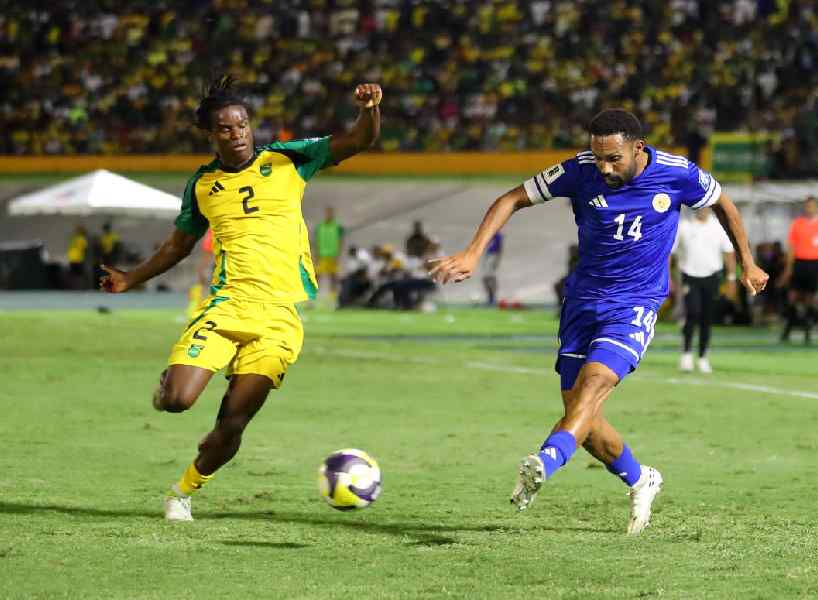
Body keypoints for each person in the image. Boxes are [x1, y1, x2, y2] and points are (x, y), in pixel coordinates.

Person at [428, 109, 768, 535]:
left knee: (594, 383)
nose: (604, 167)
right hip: (582, 303)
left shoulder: (677, 173)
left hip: (636, 303)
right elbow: (510, 198)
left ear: (638, 149)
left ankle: (544, 462)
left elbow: (724, 206)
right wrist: (473, 253)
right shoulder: (579, 170)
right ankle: (642, 478)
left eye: (614, 159)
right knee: (581, 418)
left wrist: (748, 263)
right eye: (598, 157)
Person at [99, 75, 382, 521]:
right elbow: (178, 246)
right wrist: (130, 278)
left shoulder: (289, 159)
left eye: (243, 125)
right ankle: (167, 385)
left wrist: (368, 110)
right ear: (211, 135)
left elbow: (357, 141)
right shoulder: (203, 185)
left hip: (279, 320)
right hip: (228, 306)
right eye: (227, 129)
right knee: (177, 401)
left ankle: (183, 491)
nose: (238, 135)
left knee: (233, 422)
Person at [671, 207, 736, 373]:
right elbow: (670, 252)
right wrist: (667, 276)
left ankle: (703, 357)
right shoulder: (684, 226)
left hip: (712, 277)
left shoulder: (718, 226)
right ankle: (686, 355)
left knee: (707, 318)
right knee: (692, 313)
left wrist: (731, 278)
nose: (703, 209)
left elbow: (728, 252)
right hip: (689, 275)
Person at [778, 196, 818, 345]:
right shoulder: (797, 224)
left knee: (811, 298)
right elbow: (791, 247)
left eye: (812, 206)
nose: (809, 209)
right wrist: (789, 268)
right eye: (807, 206)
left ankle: (808, 330)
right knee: (793, 297)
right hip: (799, 263)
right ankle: (789, 326)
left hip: (815, 264)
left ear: (817, 208)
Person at [313, 206, 345, 296]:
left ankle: (333, 298)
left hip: (333, 256)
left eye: (330, 213)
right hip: (322, 256)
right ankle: (312, 297)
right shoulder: (320, 227)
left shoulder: (337, 227)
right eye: (327, 213)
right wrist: (316, 255)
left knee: (333, 277)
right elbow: (317, 242)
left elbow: (340, 241)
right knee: (316, 276)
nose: (328, 215)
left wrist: (338, 255)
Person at [482, 232, 503, 306]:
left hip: (493, 256)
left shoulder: (497, 235)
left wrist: (497, 259)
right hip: (489, 256)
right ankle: (490, 297)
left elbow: (499, 249)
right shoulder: (491, 234)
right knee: (486, 278)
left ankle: (492, 298)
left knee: (489, 277)